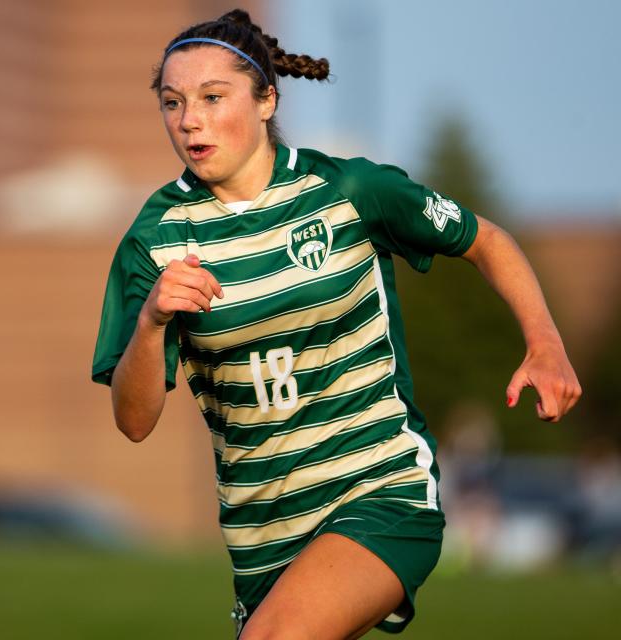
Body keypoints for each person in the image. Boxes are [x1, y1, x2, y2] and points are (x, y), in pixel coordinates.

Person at [91, 9, 581, 639]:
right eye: (172, 102)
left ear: (267, 99)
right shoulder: (151, 241)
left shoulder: (347, 189)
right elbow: (133, 422)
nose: (190, 120)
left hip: (380, 491)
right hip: (262, 534)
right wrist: (153, 321)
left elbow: (486, 239)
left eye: (214, 97)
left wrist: (545, 343)